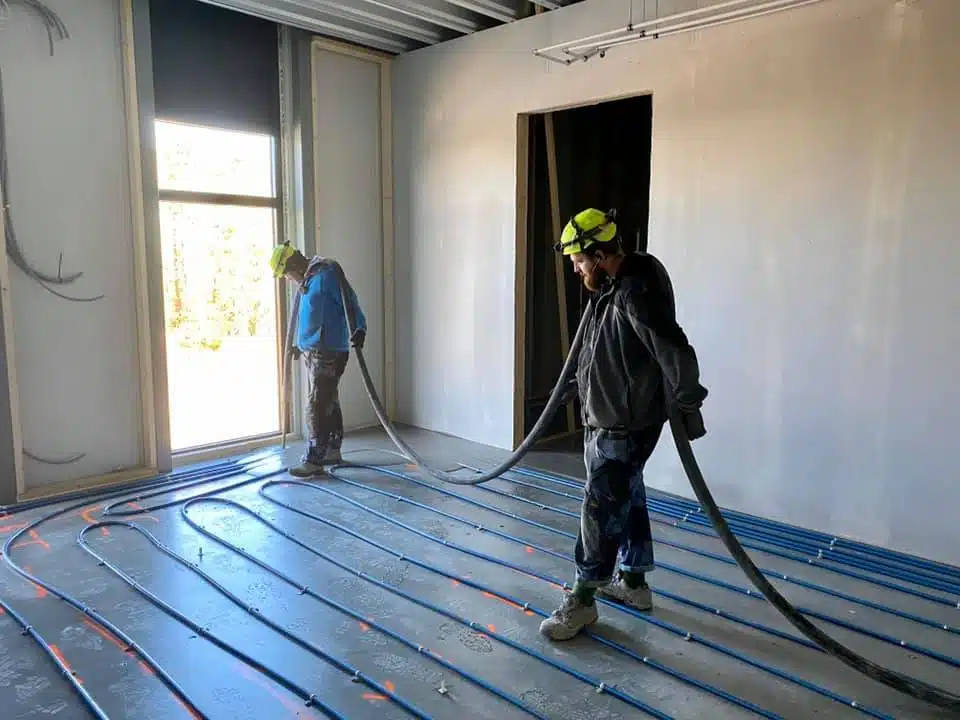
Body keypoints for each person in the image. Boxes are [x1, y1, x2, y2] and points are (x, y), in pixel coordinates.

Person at [539, 208, 708, 641]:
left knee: (599, 507)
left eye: (579, 261)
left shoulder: (634, 291)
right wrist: (575, 384)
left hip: (621, 423)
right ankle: (633, 582)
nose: (576, 270)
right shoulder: (615, 284)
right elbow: (605, 347)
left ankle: (582, 600)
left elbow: (674, 348)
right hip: (616, 415)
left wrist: (688, 399)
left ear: (598, 255)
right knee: (627, 494)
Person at [269, 244, 367, 478]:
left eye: (286, 273)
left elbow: (350, 301)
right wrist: (300, 346)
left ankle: (314, 460)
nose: (288, 279)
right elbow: (312, 317)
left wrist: (360, 327)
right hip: (314, 350)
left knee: (316, 405)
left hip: (329, 352)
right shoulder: (309, 280)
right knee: (328, 401)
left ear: (292, 264)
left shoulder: (327, 274)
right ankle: (332, 450)